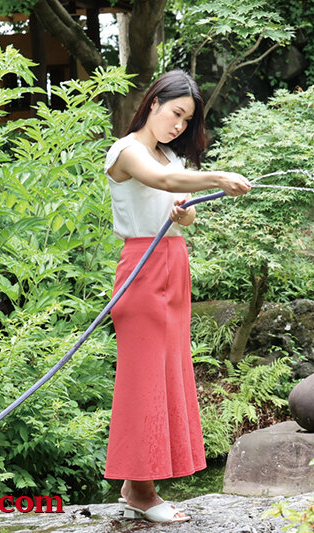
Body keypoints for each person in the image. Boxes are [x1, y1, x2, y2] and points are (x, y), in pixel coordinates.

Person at [103, 69, 251, 524]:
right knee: (143, 377)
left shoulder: (170, 156)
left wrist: (185, 217)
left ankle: (137, 485)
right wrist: (218, 177)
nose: (179, 125)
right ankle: (140, 491)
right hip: (142, 267)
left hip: (174, 264)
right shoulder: (127, 151)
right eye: (176, 113)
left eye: (187, 120)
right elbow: (162, 183)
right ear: (154, 103)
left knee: (168, 374)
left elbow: (180, 207)